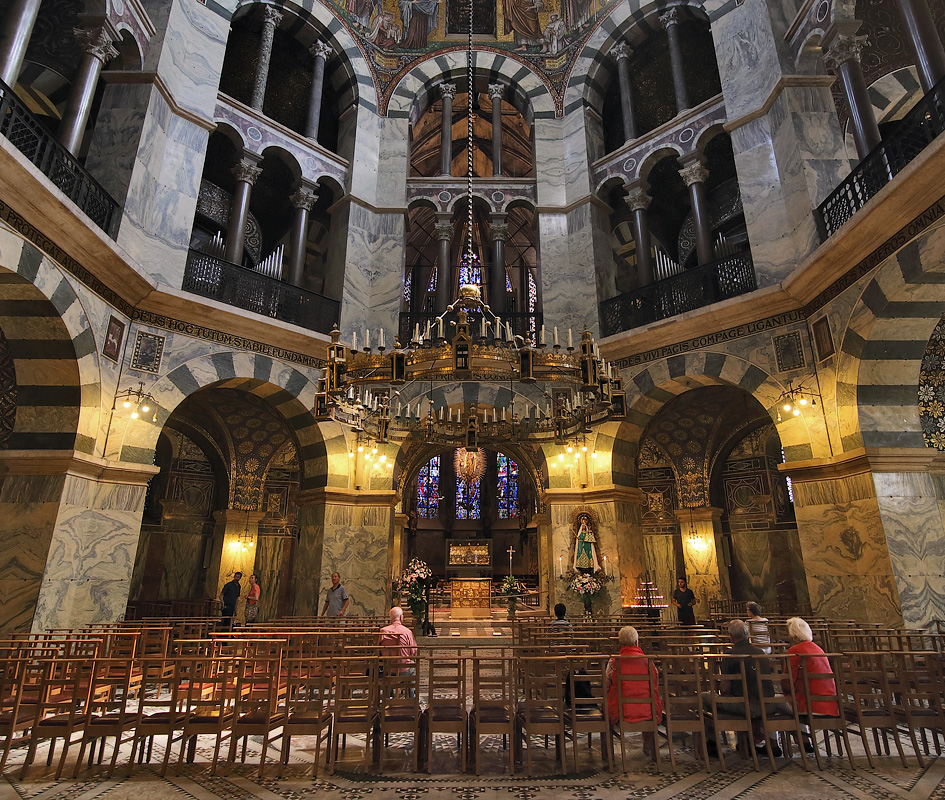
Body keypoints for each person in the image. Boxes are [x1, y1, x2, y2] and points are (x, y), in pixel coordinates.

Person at [701, 619, 783, 758]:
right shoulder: (760, 653)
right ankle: (770, 744)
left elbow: (725, 689)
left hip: (744, 705)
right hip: (767, 704)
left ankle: (713, 743)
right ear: (747, 634)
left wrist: (720, 692)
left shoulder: (730, 655)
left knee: (704, 697)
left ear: (731, 636)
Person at [606, 626, 663, 756]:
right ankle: (649, 744)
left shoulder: (614, 662)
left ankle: (608, 754)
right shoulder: (648, 662)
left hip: (621, 711)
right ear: (637, 642)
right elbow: (655, 684)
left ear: (620, 642)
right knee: (651, 698)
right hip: (648, 711)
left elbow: (606, 685)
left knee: (607, 703)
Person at [785, 616, 838, 718]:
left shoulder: (794, 650)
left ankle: (800, 733)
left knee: (772, 703)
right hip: (830, 705)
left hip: (809, 705)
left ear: (794, 636)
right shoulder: (819, 649)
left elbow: (789, 681)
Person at [379, 607, 418, 696]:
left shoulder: (383, 631)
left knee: (384, 668)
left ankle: (389, 696)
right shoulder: (407, 632)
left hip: (387, 670)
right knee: (413, 668)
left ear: (391, 618)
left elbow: (379, 649)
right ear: (401, 617)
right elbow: (412, 651)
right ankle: (411, 697)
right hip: (404, 670)